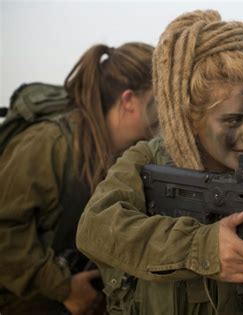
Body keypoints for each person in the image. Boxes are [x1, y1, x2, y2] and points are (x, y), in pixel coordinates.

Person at [76, 10, 243, 315]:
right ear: (190, 118)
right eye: (232, 120)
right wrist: (200, 247)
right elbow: (93, 228)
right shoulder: (148, 160)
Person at [0, 42, 156, 315]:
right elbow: (4, 231)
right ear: (129, 100)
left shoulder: (127, 155)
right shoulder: (48, 144)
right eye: (157, 102)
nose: (164, 115)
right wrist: (65, 288)